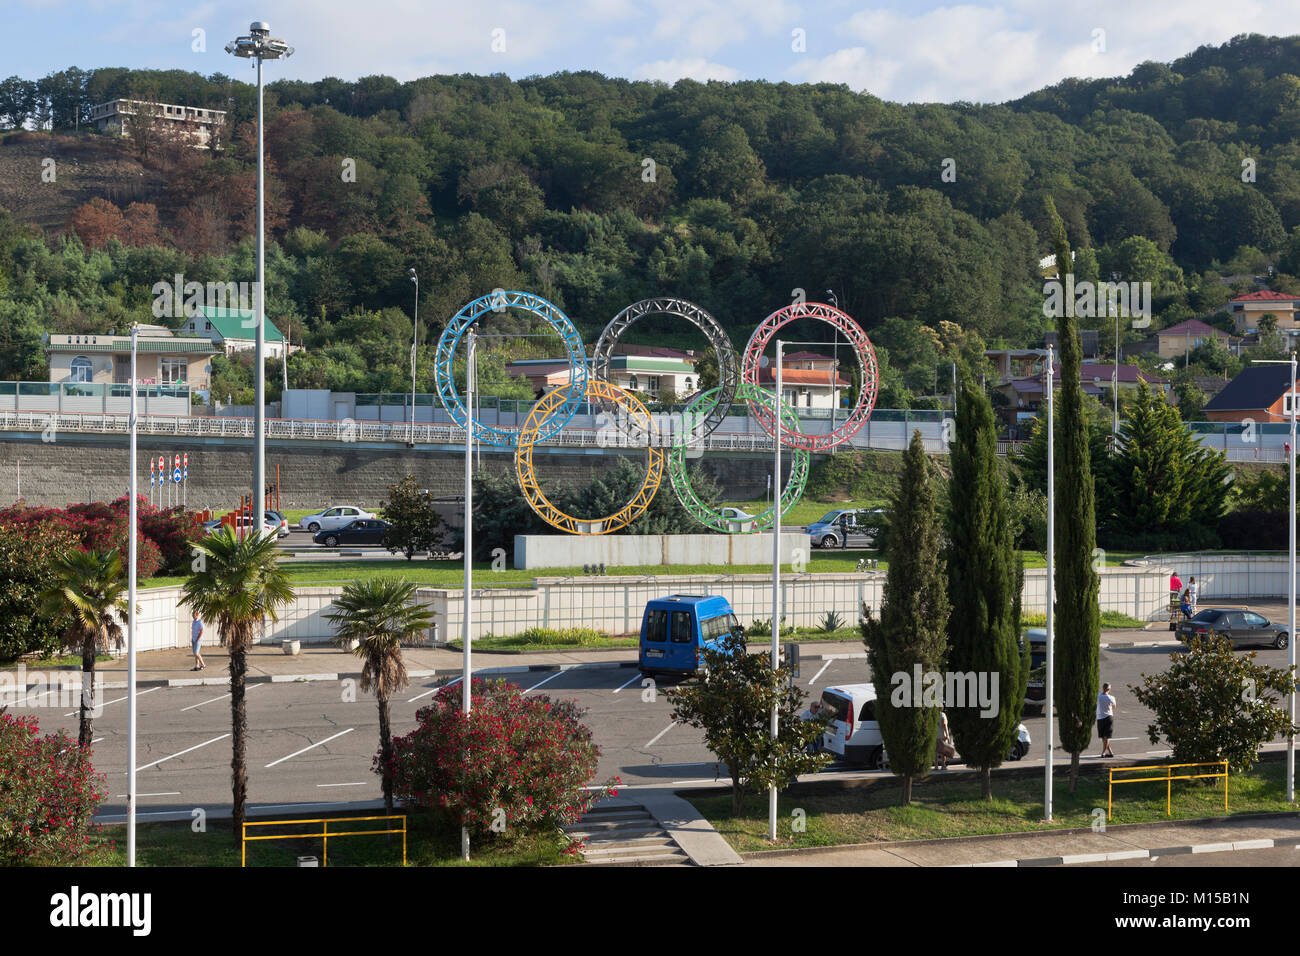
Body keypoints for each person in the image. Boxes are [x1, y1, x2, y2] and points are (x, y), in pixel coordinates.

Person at [1097, 682, 1116, 757]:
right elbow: (1114, 707)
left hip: (1100, 718)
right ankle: (1110, 752)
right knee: (1106, 736)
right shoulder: (1111, 697)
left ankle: (1104, 753)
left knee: (1103, 736)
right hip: (1109, 717)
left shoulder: (1098, 696)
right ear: (1109, 689)